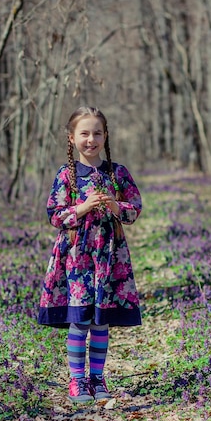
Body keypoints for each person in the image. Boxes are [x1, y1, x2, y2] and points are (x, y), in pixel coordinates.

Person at [38, 106, 142, 404]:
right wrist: (82, 207)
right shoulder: (66, 175)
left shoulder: (116, 172)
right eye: (84, 133)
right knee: (80, 318)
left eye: (97, 133)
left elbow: (134, 208)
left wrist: (114, 207)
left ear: (105, 136)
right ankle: (77, 380)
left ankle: (97, 377)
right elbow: (55, 216)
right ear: (72, 138)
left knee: (100, 320)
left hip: (109, 255)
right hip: (76, 256)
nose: (91, 139)